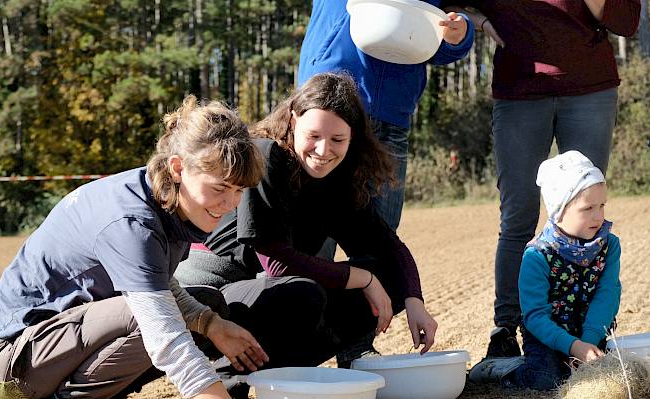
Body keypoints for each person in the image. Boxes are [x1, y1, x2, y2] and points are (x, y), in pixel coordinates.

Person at [0, 96, 270, 399]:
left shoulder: (164, 196)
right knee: (150, 318)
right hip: (11, 361)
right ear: (178, 168)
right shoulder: (131, 222)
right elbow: (165, 336)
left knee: (206, 305)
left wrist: (211, 324)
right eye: (220, 188)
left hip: (46, 347)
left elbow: (159, 283)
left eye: (238, 191)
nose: (231, 204)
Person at [174, 73, 438, 393]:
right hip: (208, 294)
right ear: (294, 119)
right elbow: (278, 264)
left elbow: (388, 246)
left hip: (266, 292)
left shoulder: (337, 182)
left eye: (338, 140)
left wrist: (414, 299)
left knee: (391, 278)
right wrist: (364, 279)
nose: (323, 150)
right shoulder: (265, 156)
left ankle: (278, 374)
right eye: (314, 135)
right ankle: (231, 377)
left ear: (353, 137)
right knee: (303, 295)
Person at [442, 0, 640, 360]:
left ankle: (587, 335)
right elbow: (453, 6)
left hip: (588, 90)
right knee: (517, 217)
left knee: (587, 215)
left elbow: (627, 22)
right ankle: (506, 327)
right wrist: (483, 23)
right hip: (518, 93)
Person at [298, 0, 474, 233]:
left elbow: (428, 34)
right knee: (311, 235)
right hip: (329, 103)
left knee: (382, 244)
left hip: (392, 112)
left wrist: (459, 36)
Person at [469, 151, 621, 390]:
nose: (599, 216)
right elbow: (535, 316)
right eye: (588, 208)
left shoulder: (609, 245)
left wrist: (587, 344)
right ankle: (503, 368)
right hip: (546, 335)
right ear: (559, 210)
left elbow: (607, 295)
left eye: (602, 205)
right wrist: (573, 348)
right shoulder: (537, 255)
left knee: (611, 372)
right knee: (547, 380)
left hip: (588, 332)